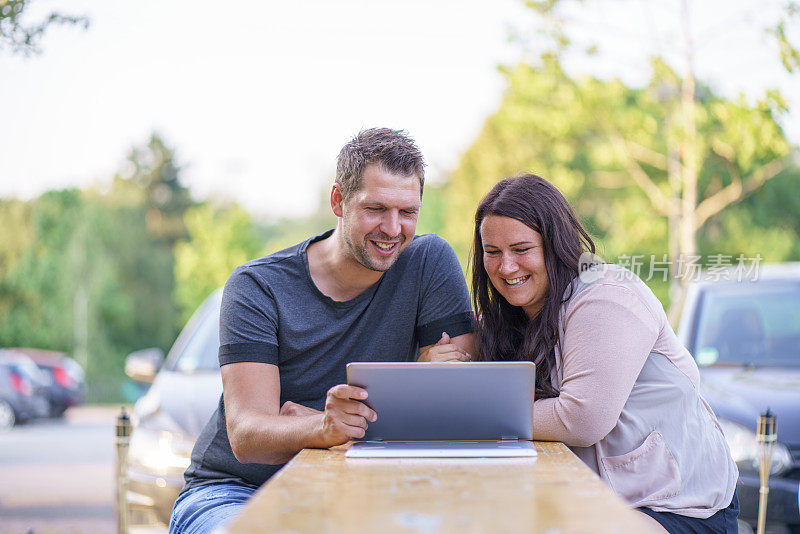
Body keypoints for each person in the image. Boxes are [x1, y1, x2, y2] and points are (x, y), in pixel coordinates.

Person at [169, 128, 475, 534]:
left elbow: (456, 405)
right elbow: (246, 436)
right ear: (338, 201)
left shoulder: (428, 263)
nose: (393, 228)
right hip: (239, 491)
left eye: (408, 212)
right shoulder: (257, 286)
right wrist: (323, 426)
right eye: (375, 208)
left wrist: (307, 422)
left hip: (368, 489)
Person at [471, 174, 739, 534]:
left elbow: (582, 418)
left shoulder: (606, 295)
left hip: (678, 504)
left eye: (521, 250)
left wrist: (475, 413)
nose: (506, 267)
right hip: (597, 498)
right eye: (493, 252)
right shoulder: (506, 318)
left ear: (554, 245)